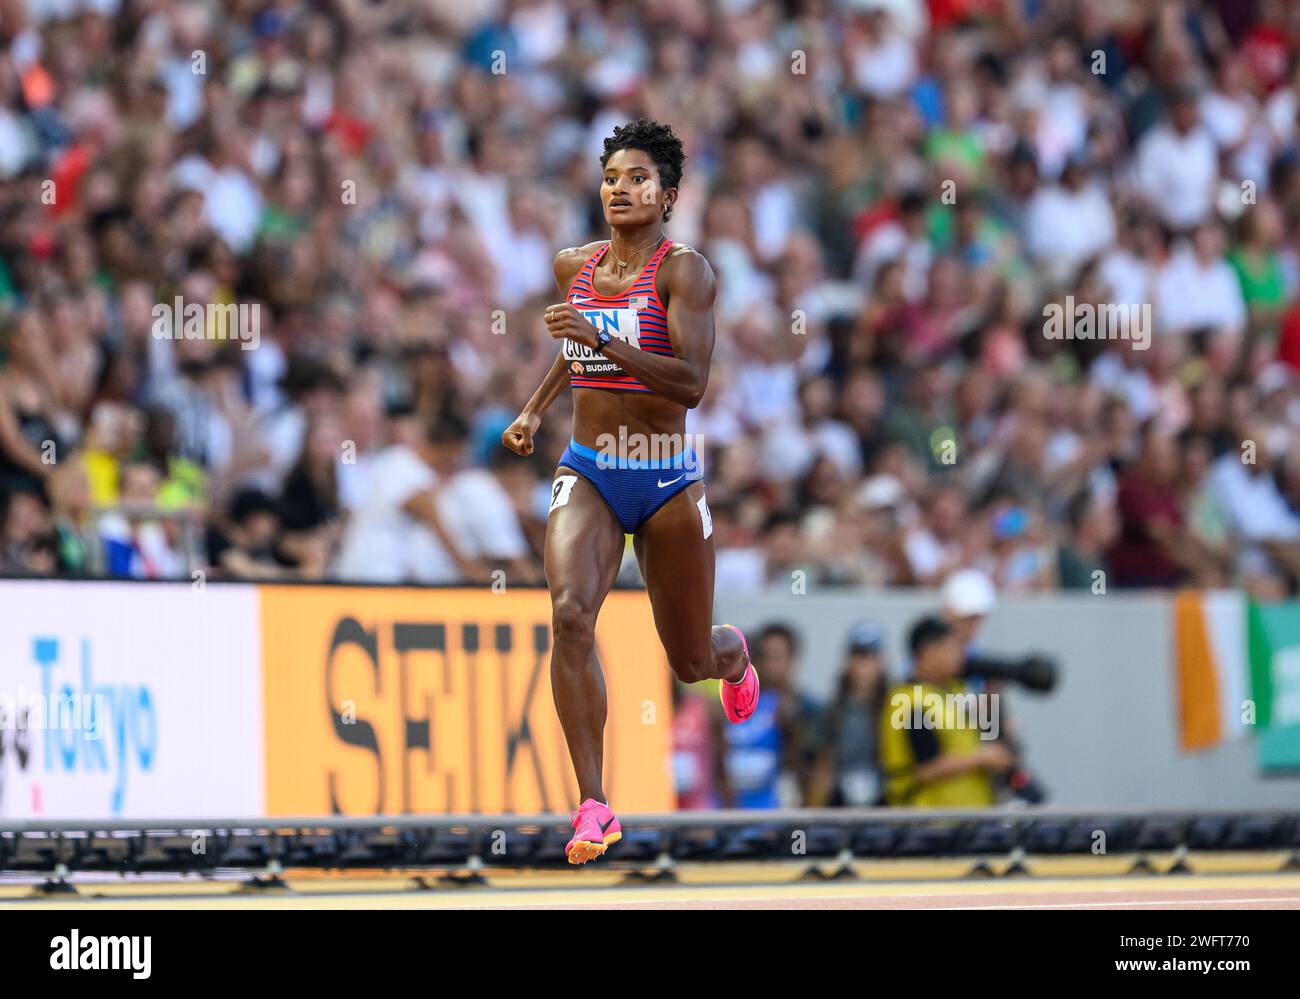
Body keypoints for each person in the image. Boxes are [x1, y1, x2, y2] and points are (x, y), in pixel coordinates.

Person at [500, 119, 756, 864]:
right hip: (591, 466)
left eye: (639, 178)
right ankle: (593, 804)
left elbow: (692, 382)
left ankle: (730, 655)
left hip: (668, 474)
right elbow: (572, 344)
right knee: (569, 616)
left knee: (687, 660)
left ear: (668, 195)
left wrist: (603, 337)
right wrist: (533, 407)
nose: (621, 188)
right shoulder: (572, 264)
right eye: (612, 177)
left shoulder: (686, 273)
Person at [879, 616, 1013, 807]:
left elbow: (985, 735)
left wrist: (992, 700)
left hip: (966, 821)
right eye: (952, 648)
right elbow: (925, 768)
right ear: (927, 652)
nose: (959, 656)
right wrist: (981, 758)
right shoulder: (910, 700)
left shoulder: (953, 693)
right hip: (928, 825)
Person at [811, 621, 888, 807]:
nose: (864, 664)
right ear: (848, 659)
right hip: (840, 800)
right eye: (859, 656)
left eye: (870, 656)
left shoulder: (894, 705)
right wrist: (815, 807)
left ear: (881, 661)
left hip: (884, 800)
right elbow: (824, 762)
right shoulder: (833, 709)